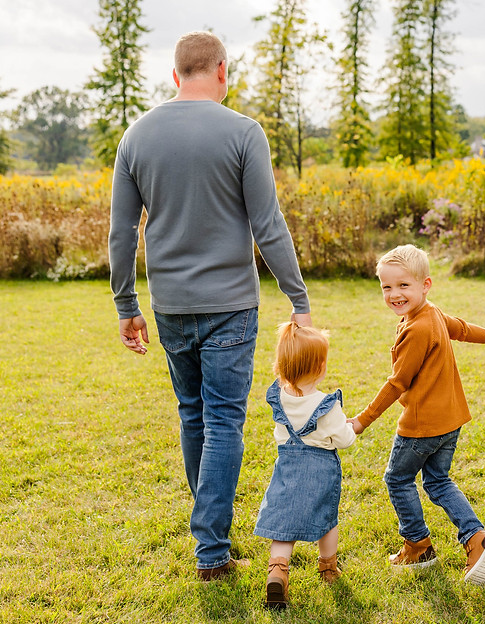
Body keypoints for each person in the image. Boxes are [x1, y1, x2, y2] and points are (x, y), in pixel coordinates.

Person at [108, 31, 312, 581]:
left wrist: (126, 302)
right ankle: (212, 551)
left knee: (193, 414)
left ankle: (212, 543)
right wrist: (298, 299)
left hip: (170, 305)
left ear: (176, 75)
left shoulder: (136, 136)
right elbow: (269, 227)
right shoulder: (244, 132)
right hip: (230, 305)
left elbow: (122, 232)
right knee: (223, 420)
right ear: (222, 70)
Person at [350, 244, 485, 585]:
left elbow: (397, 383)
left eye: (404, 286)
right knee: (438, 481)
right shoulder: (431, 315)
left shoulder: (417, 329)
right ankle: (476, 539)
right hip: (451, 420)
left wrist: (361, 420)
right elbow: (464, 329)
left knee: (397, 480)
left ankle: (418, 546)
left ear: (425, 285)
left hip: (422, 425)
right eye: (387, 287)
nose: (395, 294)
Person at [255, 322, 356, 609]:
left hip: (287, 467)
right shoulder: (327, 404)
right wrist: (348, 427)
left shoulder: (279, 398)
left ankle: (277, 570)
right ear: (321, 366)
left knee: (284, 526)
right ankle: (328, 568)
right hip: (320, 470)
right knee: (326, 518)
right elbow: (345, 440)